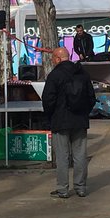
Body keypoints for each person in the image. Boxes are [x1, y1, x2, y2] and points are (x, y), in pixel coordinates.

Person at [41, 46, 96, 198]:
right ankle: (81, 187)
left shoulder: (55, 75)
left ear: (58, 58)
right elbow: (91, 97)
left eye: (53, 59)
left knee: (62, 156)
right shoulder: (82, 73)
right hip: (80, 121)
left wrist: (49, 117)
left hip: (60, 121)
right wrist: (84, 112)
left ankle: (63, 189)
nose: (52, 61)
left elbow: (48, 99)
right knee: (80, 155)